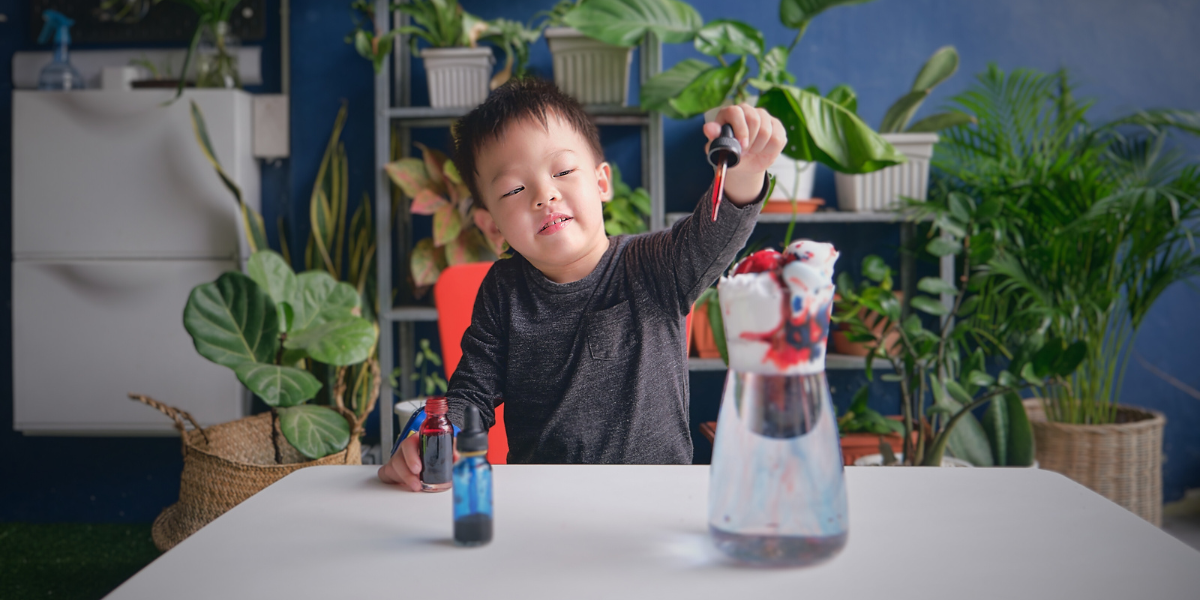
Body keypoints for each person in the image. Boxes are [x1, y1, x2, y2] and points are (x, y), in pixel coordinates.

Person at [380, 78, 786, 491]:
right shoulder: (502, 292)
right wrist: (431, 437)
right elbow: (471, 394)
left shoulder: (656, 264)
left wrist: (745, 171)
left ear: (601, 182)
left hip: (658, 500)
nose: (545, 194)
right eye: (514, 189)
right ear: (492, 228)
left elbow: (717, 232)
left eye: (563, 171)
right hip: (544, 505)